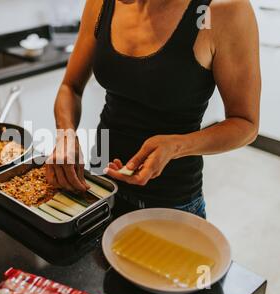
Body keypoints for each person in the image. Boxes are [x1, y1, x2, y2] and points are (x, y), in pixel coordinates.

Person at [46, 0, 261, 218]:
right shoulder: (101, 3)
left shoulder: (224, 10)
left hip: (170, 202)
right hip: (98, 187)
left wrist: (176, 145)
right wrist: (66, 135)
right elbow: (70, 88)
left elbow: (245, 124)